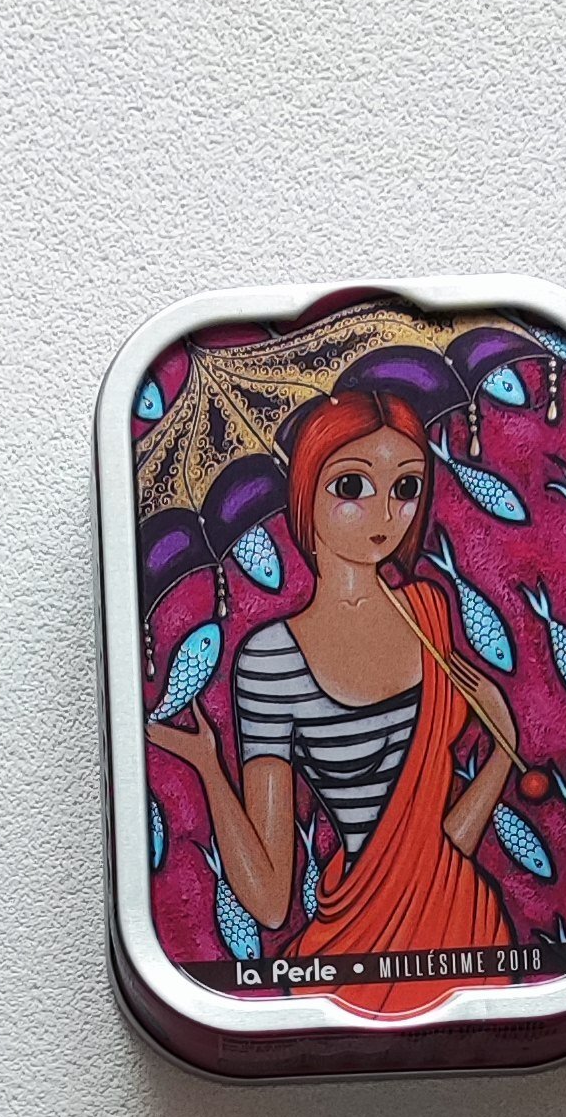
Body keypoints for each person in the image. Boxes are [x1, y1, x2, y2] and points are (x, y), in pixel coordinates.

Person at [144, 387, 520, 990]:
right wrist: (209, 768)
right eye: (351, 486)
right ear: (305, 493)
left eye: (406, 487)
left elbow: (444, 846)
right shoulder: (268, 660)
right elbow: (271, 901)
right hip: (350, 951)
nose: (385, 515)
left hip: (467, 934)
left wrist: (502, 751)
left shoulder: (430, 614)